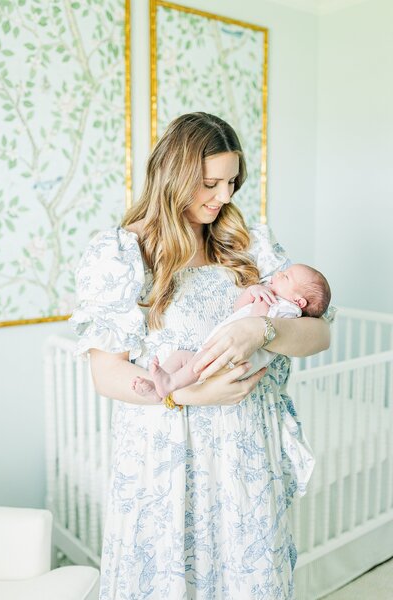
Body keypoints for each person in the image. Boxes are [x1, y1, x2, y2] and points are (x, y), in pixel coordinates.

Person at [70, 112, 332, 600]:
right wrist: (190, 395)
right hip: (166, 452)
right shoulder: (123, 254)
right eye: (211, 183)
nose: (225, 196)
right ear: (174, 176)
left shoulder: (249, 246)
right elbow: (106, 374)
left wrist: (262, 328)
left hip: (246, 453)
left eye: (232, 181)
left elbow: (320, 336)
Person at [131, 264, 331, 403]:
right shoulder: (271, 297)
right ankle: (160, 387)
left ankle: (171, 382)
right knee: (183, 357)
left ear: (299, 302)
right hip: (222, 348)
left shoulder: (288, 310)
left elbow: (255, 323)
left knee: (197, 364)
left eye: (285, 276)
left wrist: (261, 302)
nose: (278, 274)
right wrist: (252, 292)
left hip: (234, 357)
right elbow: (238, 310)